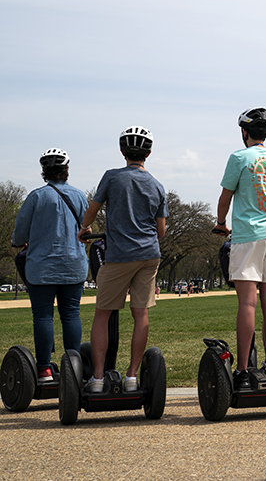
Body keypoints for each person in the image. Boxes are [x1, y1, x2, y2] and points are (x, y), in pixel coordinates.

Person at [78, 126, 168, 393]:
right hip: (149, 255)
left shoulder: (112, 177)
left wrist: (85, 229)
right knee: (140, 315)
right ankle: (131, 377)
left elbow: (91, 211)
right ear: (149, 153)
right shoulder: (157, 185)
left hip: (119, 256)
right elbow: (160, 231)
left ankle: (96, 378)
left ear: (122, 151)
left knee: (103, 314)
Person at [213, 107, 266, 390]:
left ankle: (244, 370)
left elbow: (225, 197)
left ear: (244, 132)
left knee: (247, 303)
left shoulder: (239, 158)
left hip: (247, 235)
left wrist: (221, 222)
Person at [12, 149, 89, 383]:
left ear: (44, 172)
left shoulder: (36, 197)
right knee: (71, 314)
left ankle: (44, 370)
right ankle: (73, 366)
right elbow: (87, 230)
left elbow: (19, 233)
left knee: (43, 317)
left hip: (42, 267)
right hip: (74, 265)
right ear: (66, 170)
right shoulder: (79, 196)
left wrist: (19, 241)